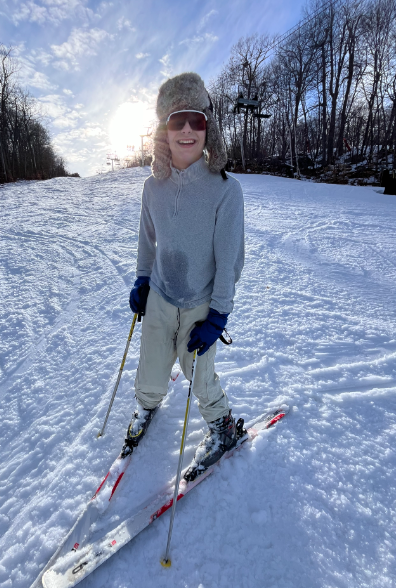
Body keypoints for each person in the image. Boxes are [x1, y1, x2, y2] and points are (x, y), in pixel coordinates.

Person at [123, 72, 245, 477]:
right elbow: (147, 240)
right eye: (177, 121)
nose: (188, 130)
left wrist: (219, 316)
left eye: (197, 120)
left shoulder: (225, 190)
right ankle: (146, 407)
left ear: (208, 127)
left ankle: (223, 427)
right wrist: (142, 279)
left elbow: (229, 260)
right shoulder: (151, 188)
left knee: (200, 376)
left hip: (200, 305)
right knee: (151, 370)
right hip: (160, 297)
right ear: (163, 131)